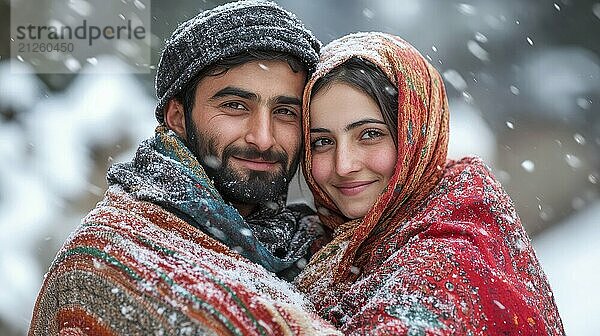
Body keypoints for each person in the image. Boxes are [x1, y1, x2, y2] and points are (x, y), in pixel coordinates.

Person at [29, 1, 340, 335]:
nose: (263, 138)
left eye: (285, 111)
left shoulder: (320, 249)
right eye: (235, 106)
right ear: (177, 117)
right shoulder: (104, 260)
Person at [295, 32, 565, 335]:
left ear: (416, 136)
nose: (344, 165)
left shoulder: (449, 260)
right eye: (321, 141)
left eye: (370, 134)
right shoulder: (322, 245)